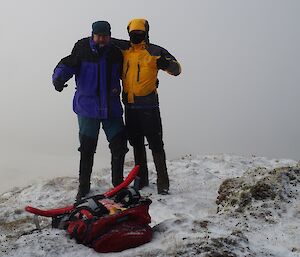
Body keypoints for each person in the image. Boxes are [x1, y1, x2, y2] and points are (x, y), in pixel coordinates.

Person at [52, 21, 128, 200]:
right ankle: (84, 187)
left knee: (119, 146)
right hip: (87, 108)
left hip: (111, 108)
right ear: (92, 34)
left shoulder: (116, 52)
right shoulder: (82, 48)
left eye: (105, 35)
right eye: (99, 35)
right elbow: (67, 64)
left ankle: (118, 184)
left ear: (109, 35)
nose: (102, 39)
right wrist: (58, 79)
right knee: (87, 148)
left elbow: (129, 71)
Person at [112, 18, 181, 195]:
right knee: (136, 144)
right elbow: (105, 40)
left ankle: (163, 184)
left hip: (149, 107)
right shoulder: (124, 49)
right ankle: (141, 180)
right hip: (130, 106)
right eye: (133, 33)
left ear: (146, 33)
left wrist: (169, 65)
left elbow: (177, 69)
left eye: (139, 33)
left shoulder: (155, 51)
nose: (136, 36)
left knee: (156, 144)